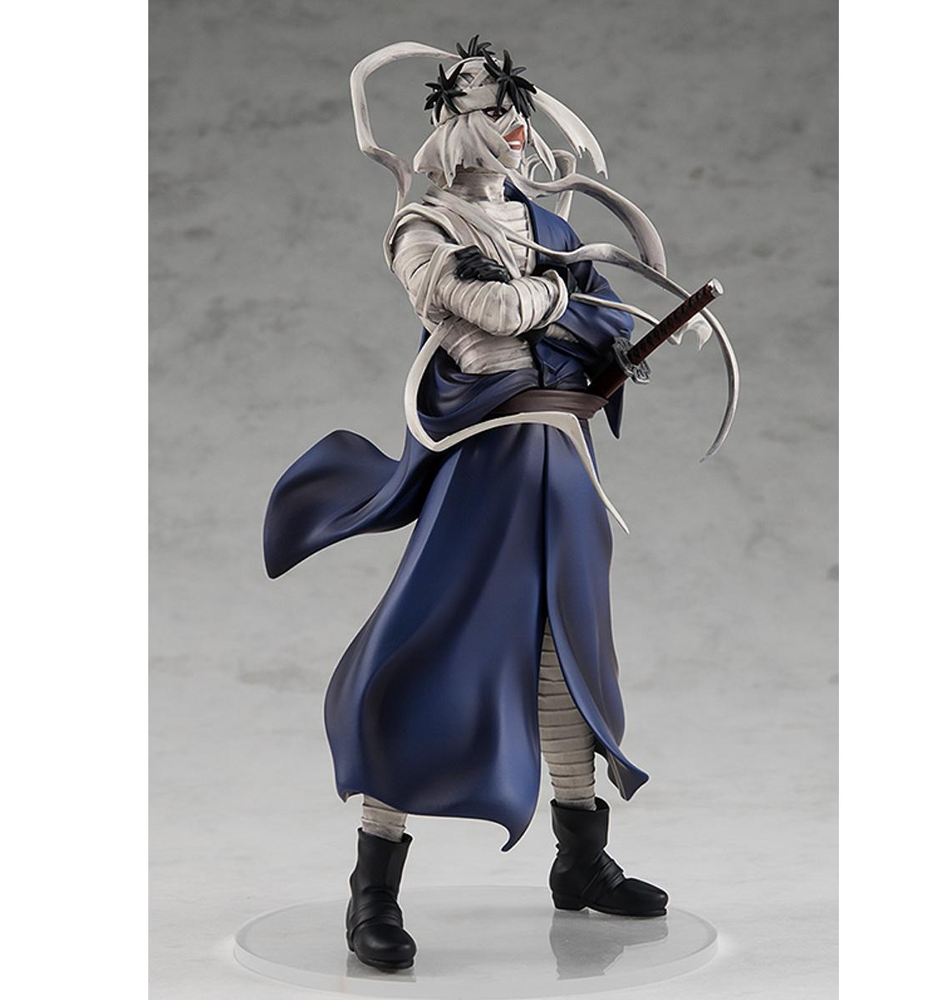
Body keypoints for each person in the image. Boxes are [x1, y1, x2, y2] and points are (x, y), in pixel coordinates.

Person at [264, 38, 715, 972]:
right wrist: (562, 295)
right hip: (484, 466)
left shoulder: (543, 223)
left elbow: (602, 316)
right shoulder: (421, 228)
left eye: (516, 109)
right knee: (425, 654)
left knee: (571, 659)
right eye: (492, 111)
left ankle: (581, 861)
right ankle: (373, 887)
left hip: (563, 462)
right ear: (454, 122)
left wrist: (589, 316)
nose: (513, 128)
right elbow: (493, 321)